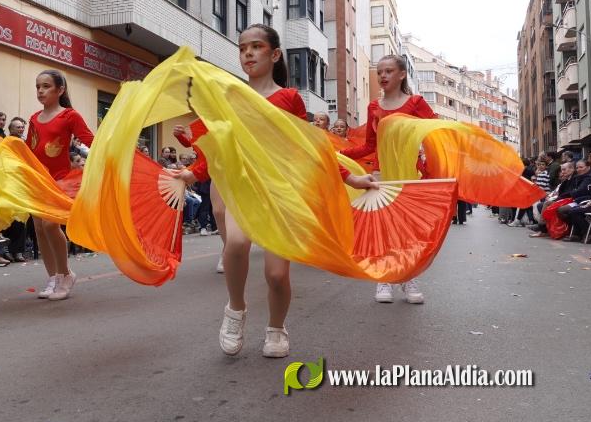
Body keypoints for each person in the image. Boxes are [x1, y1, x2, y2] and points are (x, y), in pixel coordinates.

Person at [172, 24, 377, 358]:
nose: (248, 53)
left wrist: (349, 178)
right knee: (236, 243)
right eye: (242, 48)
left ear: (274, 54)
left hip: (281, 191)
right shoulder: (230, 97)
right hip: (245, 185)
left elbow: (307, 148)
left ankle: (276, 327)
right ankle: (235, 310)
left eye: (256, 46)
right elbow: (220, 146)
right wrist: (193, 174)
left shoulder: (289, 98)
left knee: (277, 274)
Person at [340, 54, 436, 305]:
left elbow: (436, 136)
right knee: (385, 228)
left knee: (408, 230)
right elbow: (370, 145)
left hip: (410, 176)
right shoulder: (374, 107)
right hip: (383, 176)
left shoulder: (416, 103)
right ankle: (385, 278)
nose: (382, 76)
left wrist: (433, 168)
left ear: (402, 74)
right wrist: (339, 154)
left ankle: (408, 277)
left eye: (389, 71)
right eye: (379, 72)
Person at [27, 70, 94, 300]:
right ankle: (53, 277)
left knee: (49, 225)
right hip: (38, 180)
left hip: (61, 180)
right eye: (38, 86)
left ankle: (66, 274)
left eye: (46, 86)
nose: (40, 91)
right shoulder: (34, 118)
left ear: (60, 90)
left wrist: (104, 157)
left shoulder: (69, 116)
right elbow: (29, 149)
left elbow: (89, 140)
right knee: (38, 229)